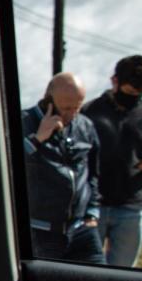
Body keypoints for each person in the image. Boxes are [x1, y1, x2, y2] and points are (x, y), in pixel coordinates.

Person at [82, 55, 142, 267]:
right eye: (130, 91)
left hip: (132, 206)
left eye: (139, 92)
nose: (134, 96)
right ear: (114, 81)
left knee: (123, 273)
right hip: (93, 205)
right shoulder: (90, 111)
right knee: (87, 269)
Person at [22, 72, 105, 264]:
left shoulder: (84, 125)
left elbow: (93, 172)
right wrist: (37, 139)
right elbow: (6, 167)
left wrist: (93, 210)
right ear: (48, 100)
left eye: (77, 107)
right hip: (41, 231)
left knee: (102, 278)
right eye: (66, 108)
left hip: (81, 227)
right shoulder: (23, 122)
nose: (72, 114)